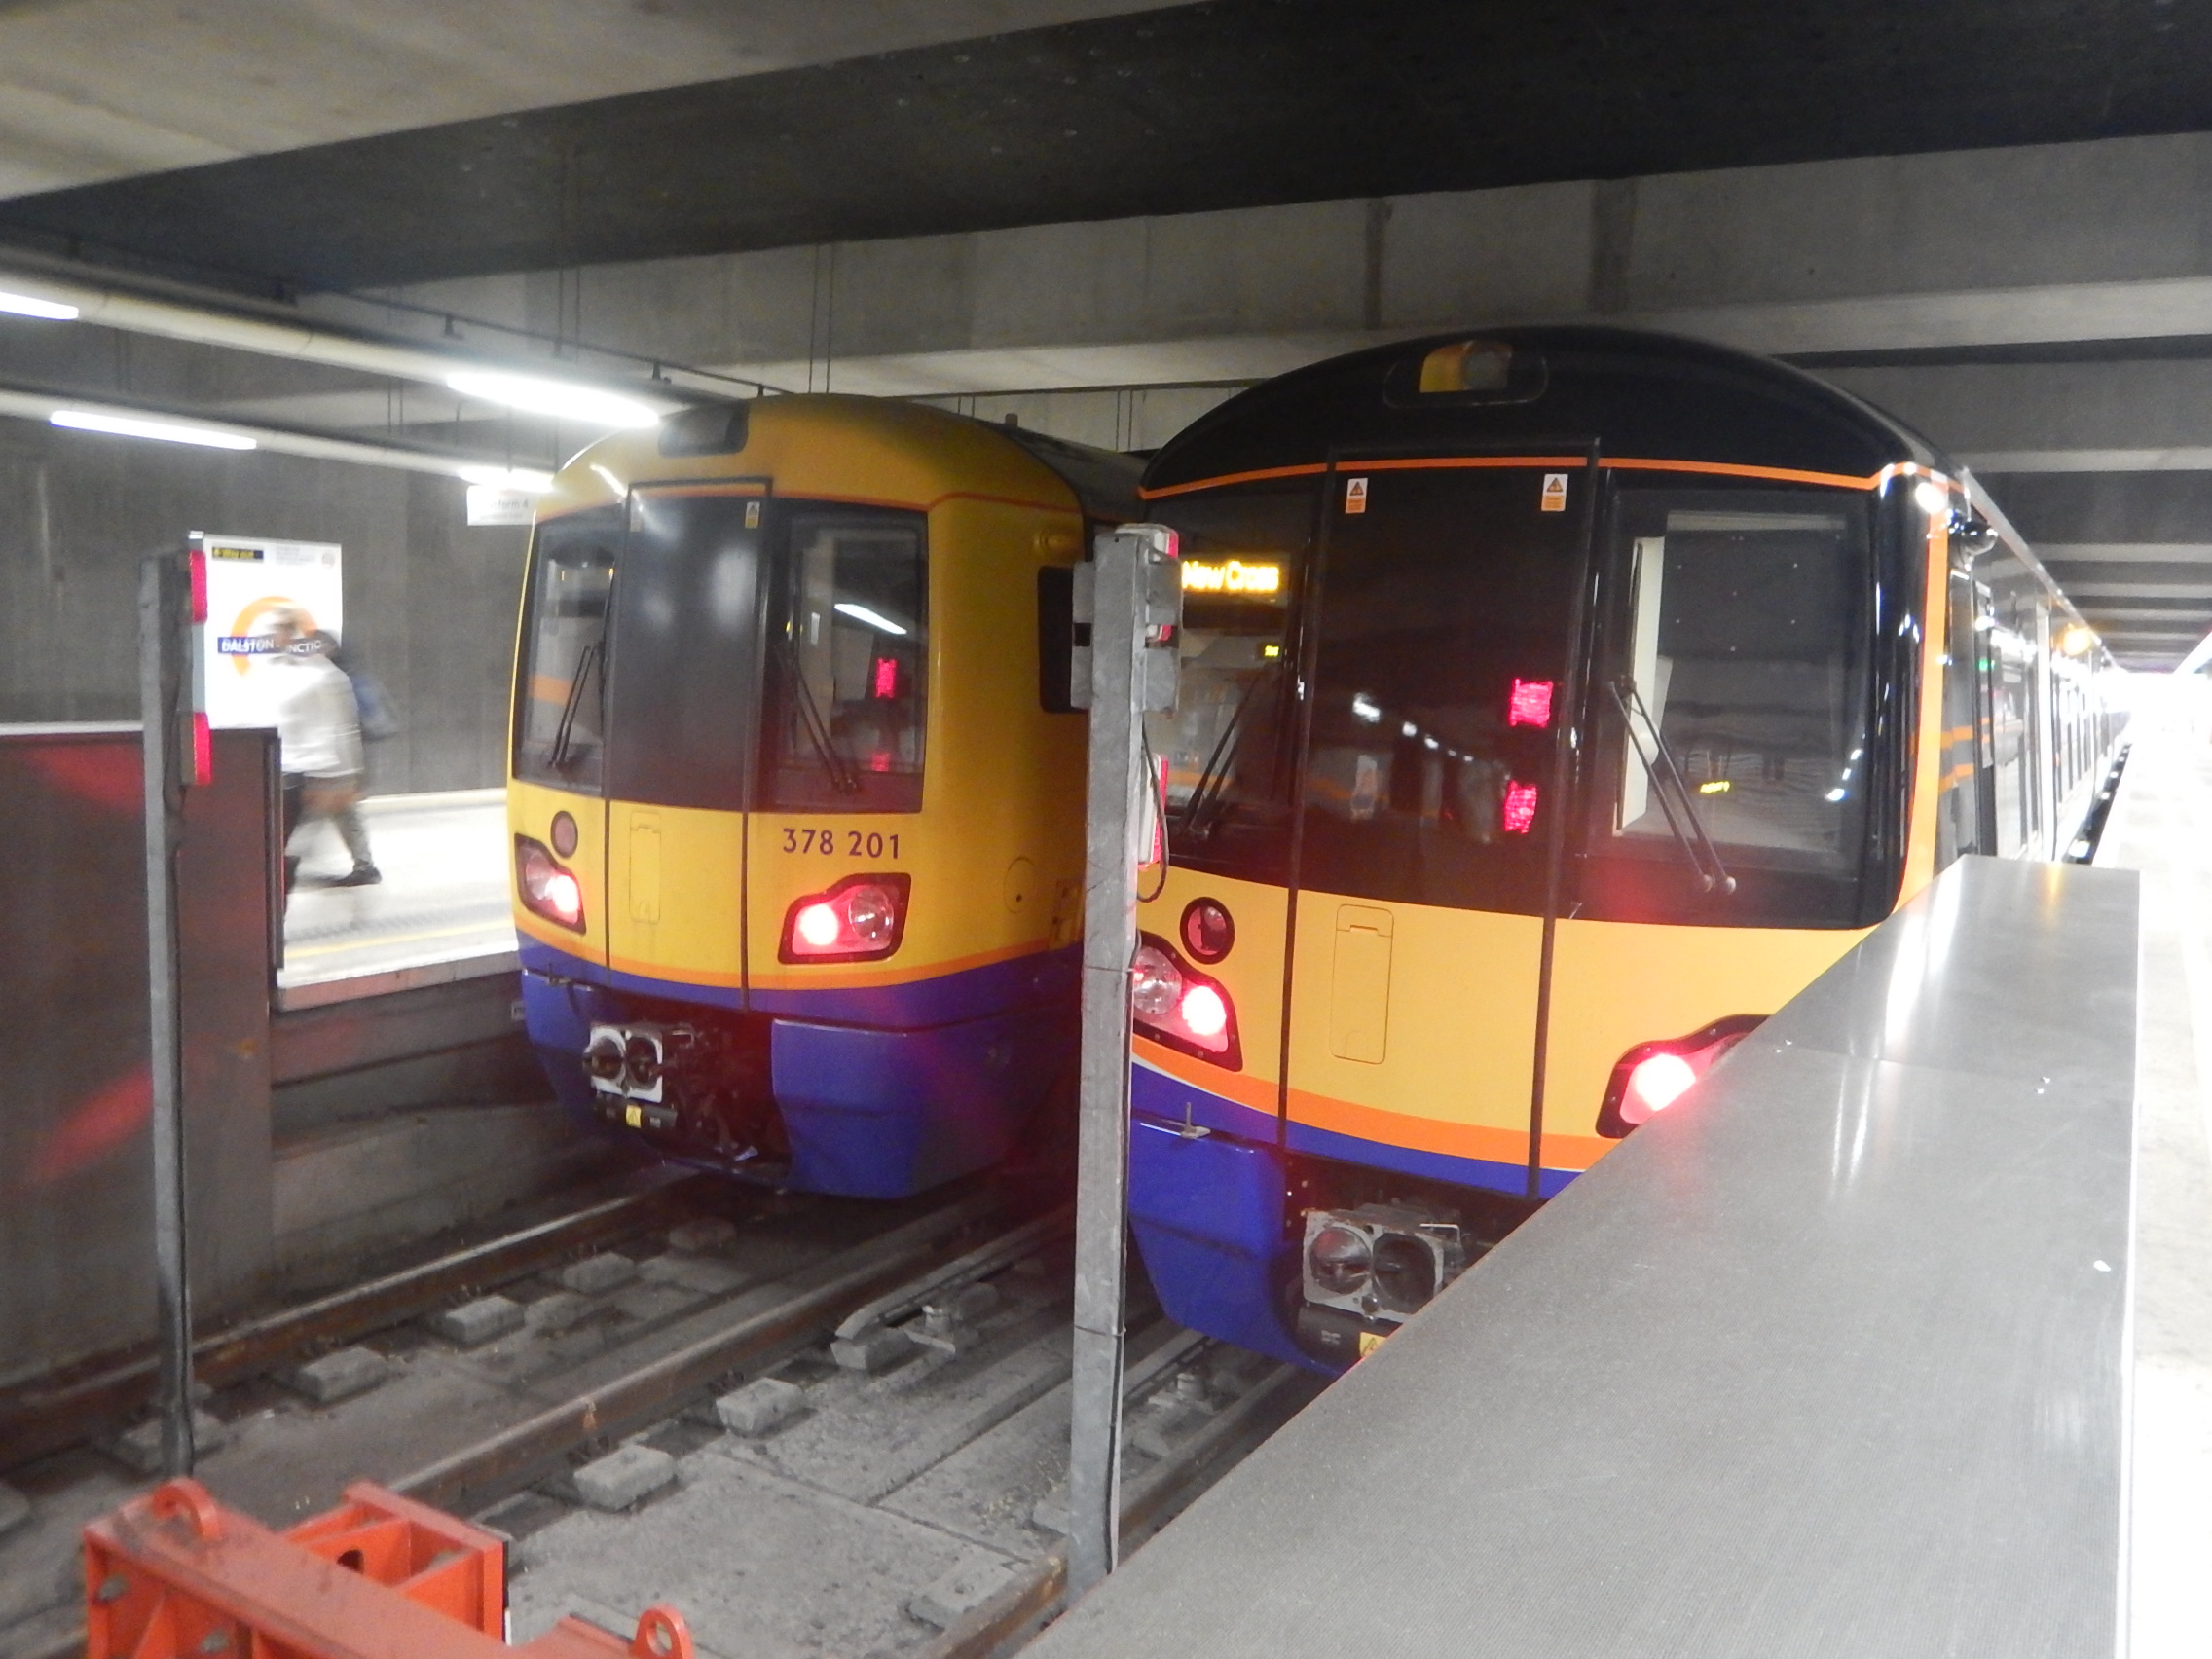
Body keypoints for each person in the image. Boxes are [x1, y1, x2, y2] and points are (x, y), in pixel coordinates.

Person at [265, 608, 380, 888]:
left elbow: (341, 724)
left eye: (278, 629)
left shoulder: (320, 675)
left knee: (314, 820)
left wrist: (350, 771)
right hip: (308, 762)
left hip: (321, 764)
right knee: (338, 815)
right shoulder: (286, 670)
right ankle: (363, 865)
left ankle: (287, 868)